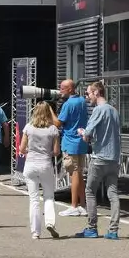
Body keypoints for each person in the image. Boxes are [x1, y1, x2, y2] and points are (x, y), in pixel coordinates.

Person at [76, 81, 121, 240]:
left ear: (96, 92)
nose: (87, 97)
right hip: (114, 158)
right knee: (113, 193)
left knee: (90, 191)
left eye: (88, 94)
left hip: (99, 157)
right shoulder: (114, 111)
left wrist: (82, 132)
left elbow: (87, 134)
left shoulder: (98, 110)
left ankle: (91, 228)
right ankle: (113, 230)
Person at [18, 101, 61, 239]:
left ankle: (35, 232)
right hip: (45, 165)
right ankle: (50, 222)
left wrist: (30, 150)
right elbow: (56, 151)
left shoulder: (28, 127)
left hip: (30, 164)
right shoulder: (53, 129)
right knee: (48, 196)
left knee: (34, 199)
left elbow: (22, 148)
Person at [53, 79, 88, 217]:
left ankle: (74, 205)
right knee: (78, 173)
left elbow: (58, 123)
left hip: (70, 142)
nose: (60, 90)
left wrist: (49, 110)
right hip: (81, 142)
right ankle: (83, 205)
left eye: (62, 88)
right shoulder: (82, 101)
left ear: (70, 89)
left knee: (74, 174)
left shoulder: (68, 104)